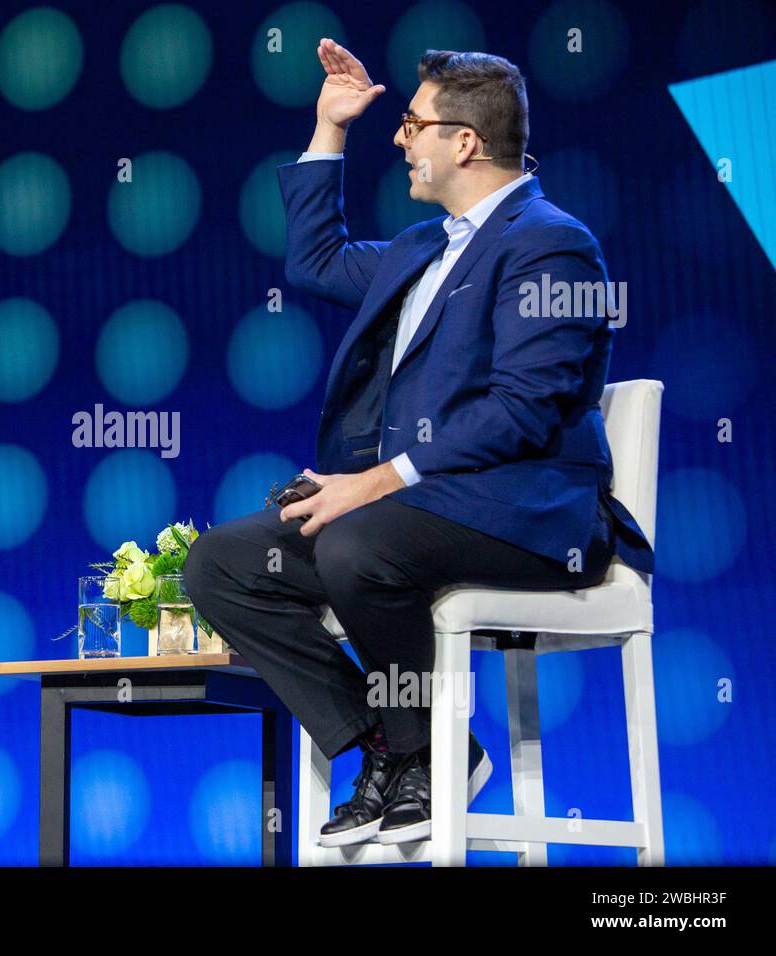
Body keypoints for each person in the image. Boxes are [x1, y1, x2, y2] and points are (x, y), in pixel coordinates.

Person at [185, 44, 653, 848]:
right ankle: (389, 743)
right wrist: (330, 127)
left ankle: (421, 751)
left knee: (356, 544)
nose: (400, 140)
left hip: (525, 513)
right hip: (416, 512)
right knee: (222, 564)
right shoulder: (422, 247)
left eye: (411, 124)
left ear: (463, 142)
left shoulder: (552, 243)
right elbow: (315, 259)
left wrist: (372, 481)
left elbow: (524, 409)